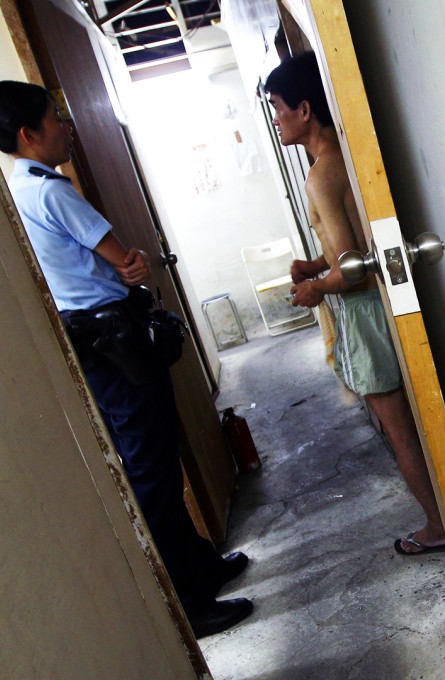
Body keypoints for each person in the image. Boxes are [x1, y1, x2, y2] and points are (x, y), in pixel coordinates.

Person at [0, 80, 253, 638]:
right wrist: (131, 264)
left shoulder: (16, 193)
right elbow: (126, 260)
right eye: (55, 119)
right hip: (114, 341)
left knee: (154, 462)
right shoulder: (50, 190)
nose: (65, 127)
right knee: (153, 472)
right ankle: (190, 604)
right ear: (28, 134)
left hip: (94, 344)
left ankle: (200, 565)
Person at [264, 54, 445, 555]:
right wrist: (313, 264)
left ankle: (437, 527)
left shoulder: (322, 173)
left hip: (363, 311)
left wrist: (316, 287)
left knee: (399, 431)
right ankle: (444, 516)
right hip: (376, 305)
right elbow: (345, 249)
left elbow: (352, 269)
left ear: (304, 109)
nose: (276, 119)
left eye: (279, 108)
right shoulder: (344, 158)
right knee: (411, 422)